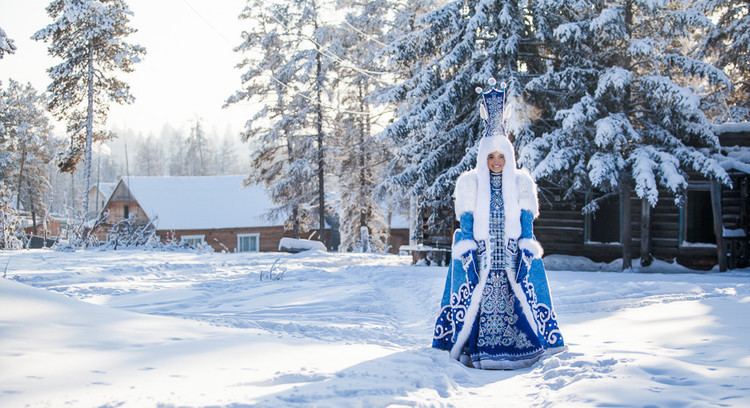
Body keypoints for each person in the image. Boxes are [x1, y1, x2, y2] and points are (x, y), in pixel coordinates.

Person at [432, 83, 565, 369]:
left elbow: (526, 222)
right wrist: (467, 249)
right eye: (490, 157)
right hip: (481, 256)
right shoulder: (470, 183)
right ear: (483, 158)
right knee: (478, 307)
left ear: (509, 156)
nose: (495, 162)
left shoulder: (521, 183)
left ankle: (521, 352)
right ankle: (479, 353)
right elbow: (466, 223)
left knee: (515, 304)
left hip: (511, 256)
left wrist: (526, 247)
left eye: (500, 156)